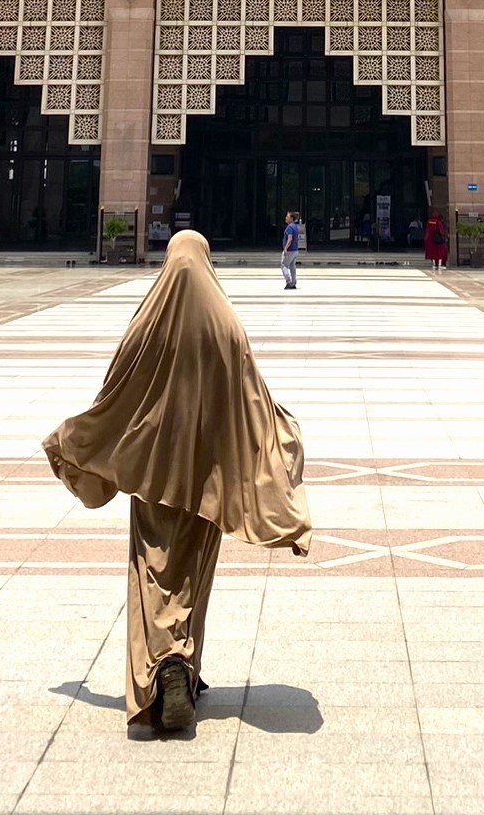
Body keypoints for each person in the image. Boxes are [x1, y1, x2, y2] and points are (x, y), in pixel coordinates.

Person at [43, 230, 310, 733]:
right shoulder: (225, 324)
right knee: (193, 573)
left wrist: (83, 441)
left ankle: (164, 663)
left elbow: (115, 393)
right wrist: (279, 444)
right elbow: (252, 399)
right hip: (209, 478)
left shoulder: (147, 323)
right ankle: (183, 664)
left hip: (153, 474)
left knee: (153, 569)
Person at [423, 207, 448, 272]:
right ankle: (439, 265)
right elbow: (441, 232)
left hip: (430, 240)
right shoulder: (438, 222)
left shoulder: (429, 221)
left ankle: (434, 264)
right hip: (437, 241)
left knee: (432, 253)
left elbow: (427, 231)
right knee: (439, 253)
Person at [280, 209, 300, 290]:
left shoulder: (289, 227)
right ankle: (293, 282)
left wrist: (285, 248)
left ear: (291, 218)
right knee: (292, 266)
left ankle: (288, 282)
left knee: (284, 265)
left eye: (287, 217)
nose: (285, 218)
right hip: (295, 250)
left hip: (290, 250)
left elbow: (290, 238)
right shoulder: (295, 227)